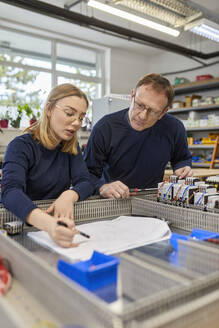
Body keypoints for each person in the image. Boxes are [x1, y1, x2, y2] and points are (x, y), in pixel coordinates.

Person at [1, 83, 94, 248]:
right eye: (69, 113)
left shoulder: (71, 147)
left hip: (54, 223)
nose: (77, 123)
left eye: (81, 117)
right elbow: (10, 192)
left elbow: (86, 182)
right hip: (22, 223)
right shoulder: (20, 146)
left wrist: (70, 195)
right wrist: (49, 225)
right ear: (49, 109)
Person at [84, 73, 192, 199]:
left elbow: (181, 158)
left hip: (151, 200)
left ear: (163, 112)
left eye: (152, 111)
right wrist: (102, 187)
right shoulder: (105, 128)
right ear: (132, 96)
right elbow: (87, 173)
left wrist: (182, 168)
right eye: (139, 105)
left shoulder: (174, 128)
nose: (142, 116)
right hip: (113, 201)